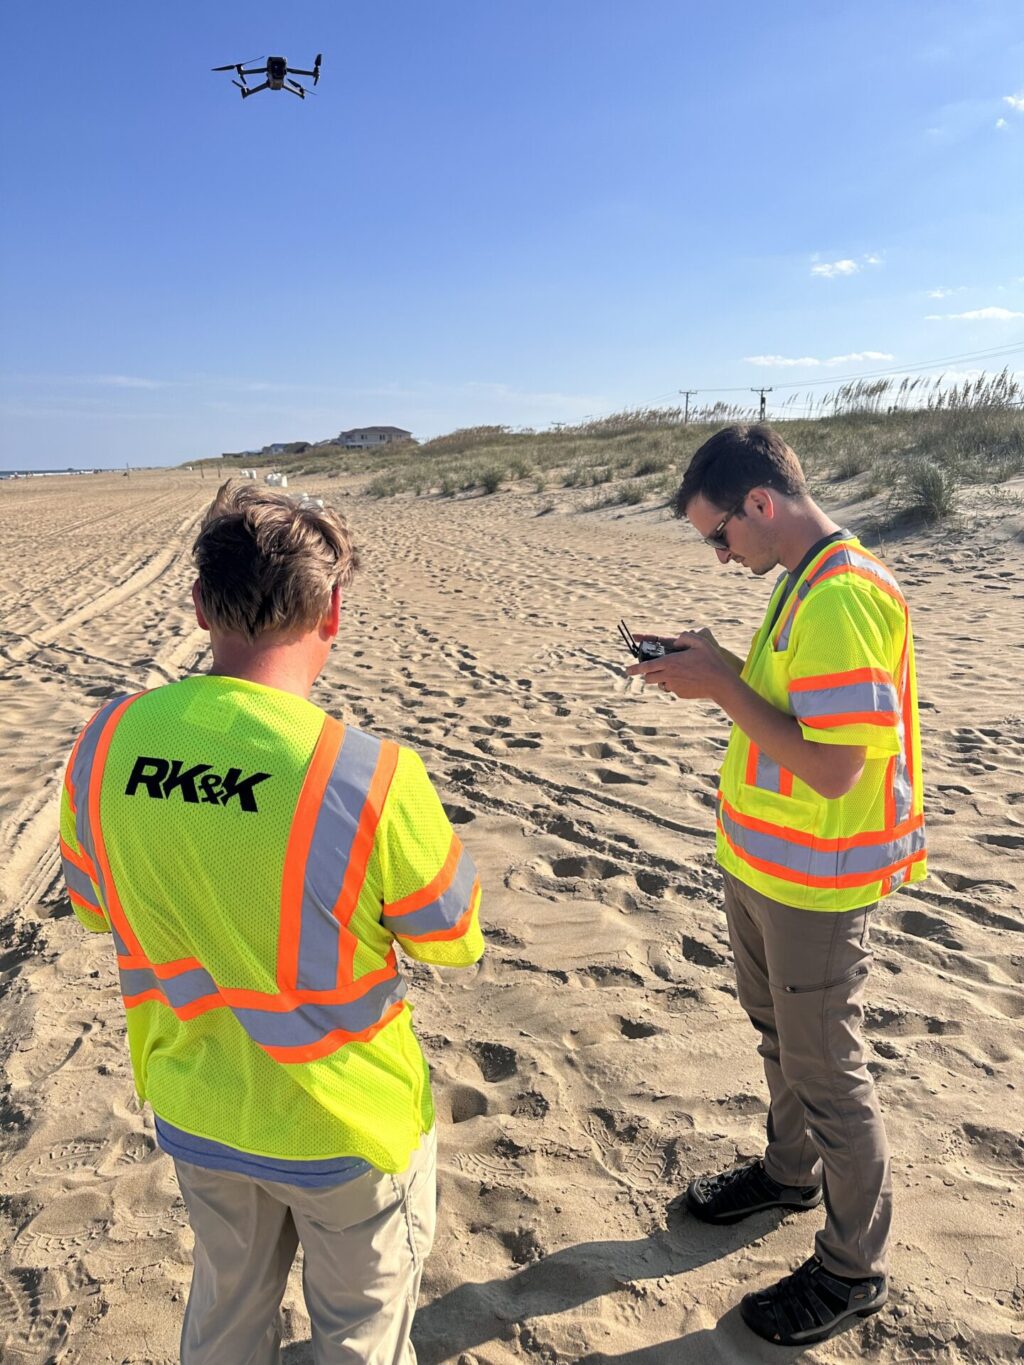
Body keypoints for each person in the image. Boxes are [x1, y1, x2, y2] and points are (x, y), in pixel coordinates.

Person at [59, 481, 484, 1364]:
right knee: (359, 1338)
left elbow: (96, 907)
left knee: (225, 1317)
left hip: (197, 1103)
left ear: (199, 605)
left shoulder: (105, 743)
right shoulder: (367, 775)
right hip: (346, 1126)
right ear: (331, 611)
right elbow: (453, 933)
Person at [627, 424, 925, 1347]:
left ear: (762, 502)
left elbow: (834, 770)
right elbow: (791, 708)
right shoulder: (801, 579)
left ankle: (852, 1269)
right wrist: (720, 661)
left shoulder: (841, 596)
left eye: (719, 534)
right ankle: (789, 1175)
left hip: (818, 885)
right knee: (781, 1042)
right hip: (765, 867)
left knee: (828, 1071)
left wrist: (718, 686)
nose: (719, 554)